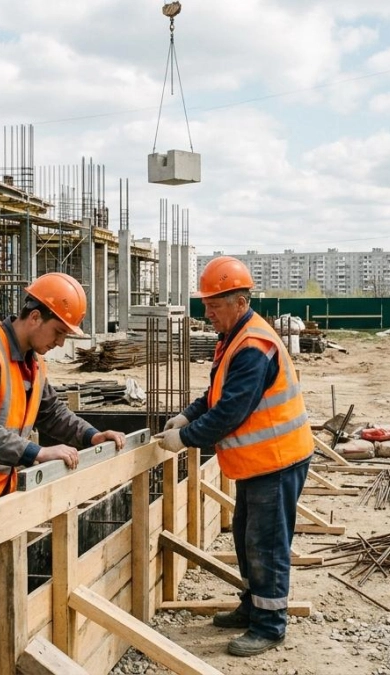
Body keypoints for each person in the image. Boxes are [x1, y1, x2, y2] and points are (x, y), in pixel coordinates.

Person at [0, 272, 126, 591]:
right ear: (35, 317)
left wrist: (91, 436)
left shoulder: (33, 363)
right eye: (58, 332)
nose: (60, 343)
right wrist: (36, 453)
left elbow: (51, 412)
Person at [154, 256, 313, 657]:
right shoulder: (234, 337)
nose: (206, 313)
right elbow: (216, 395)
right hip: (259, 462)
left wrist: (184, 438)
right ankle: (253, 606)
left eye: (214, 305)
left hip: (277, 461)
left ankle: (270, 624)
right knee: (246, 538)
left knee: (266, 544)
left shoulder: (253, 347)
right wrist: (188, 414)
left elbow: (229, 413)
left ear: (240, 303)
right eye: (205, 305)